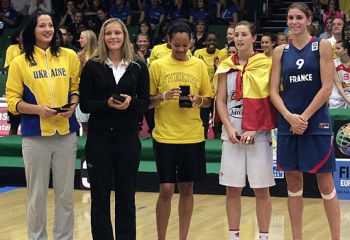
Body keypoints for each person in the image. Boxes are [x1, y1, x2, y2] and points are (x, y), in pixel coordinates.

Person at [6, 12, 80, 239]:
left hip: (66, 134)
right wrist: (38, 109)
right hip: (35, 136)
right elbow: (12, 102)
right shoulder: (19, 62)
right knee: (36, 196)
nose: (48, 29)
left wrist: (73, 105)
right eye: (42, 26)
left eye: (50, 25)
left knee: (65, 195)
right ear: (32, 30)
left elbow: (76, 89)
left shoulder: (69, 56)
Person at [270, 3, 340, 240]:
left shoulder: (322, 46)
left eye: (299, 17)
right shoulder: (280, 51)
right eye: (290, 17)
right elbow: (273, 92)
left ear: (309, 20)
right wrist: (290, 117)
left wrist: (304, 118)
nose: (294, 22)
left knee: (326, 183)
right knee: (293, 182)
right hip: (289, 124)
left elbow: (327, 88)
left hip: (316, 123)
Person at [79, 17, 150, 240]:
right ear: (102, 37)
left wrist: (131, 102)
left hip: (128, 139)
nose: (113, 37)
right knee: (99, 197)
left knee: (126, 197)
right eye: (108, 33)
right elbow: (85, 104)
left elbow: (145, 103)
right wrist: (106, 104)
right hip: (99, 139)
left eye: (117, 33)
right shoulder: (92, 66)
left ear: (124, 35)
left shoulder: (139, 65)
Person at [149, 21, 212, 240]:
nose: (181, 50)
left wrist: (199, 99)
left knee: (187, 187)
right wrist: (162, 97)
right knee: (166, 188)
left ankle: (182, 237)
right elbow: (146, 102)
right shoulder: (157, 66)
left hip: (192, 135)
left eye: (185, 46)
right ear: (168, 41)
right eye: (176, 45)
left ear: (192, 42)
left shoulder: (199, 66)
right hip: (165, 136)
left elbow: (208, 101)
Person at [215, 20, 276, 240]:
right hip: (232, 136)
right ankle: (234, 236)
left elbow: (270, 100)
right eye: (236, 34)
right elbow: (220, 101)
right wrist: (229, 128)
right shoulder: (225, 66)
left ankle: (264, 236)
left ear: (253, 37)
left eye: (244, 34)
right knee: (232, 189)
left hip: (258, 136)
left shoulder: (265, 64)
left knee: (261, 189)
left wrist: (255, 127)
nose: (239, 38)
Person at [4, 28, 23, 135]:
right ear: (17, 38)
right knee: (13, 124)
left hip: (28, 90)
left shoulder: (33, 48)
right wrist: (22, 55)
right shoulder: (12, 48)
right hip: (15, 90)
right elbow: (8, 68)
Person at [329, 39, 350, 108]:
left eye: (338, 48)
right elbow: (338, 85)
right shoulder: (333, 63)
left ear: (345, 50)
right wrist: (347, 99)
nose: (335, 51)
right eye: (335, 48)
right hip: (337, 99)